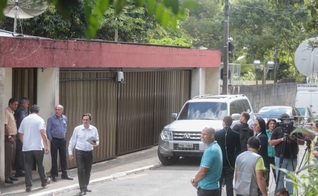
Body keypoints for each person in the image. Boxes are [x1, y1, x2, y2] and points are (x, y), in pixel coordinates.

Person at [269, 113, 304, 195]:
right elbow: (271, 142)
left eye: (287, 120)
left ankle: (290, 193)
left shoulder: (296, 130)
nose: (286, 122)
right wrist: (281, 139)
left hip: (292, 157)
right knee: (279, 177)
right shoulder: (278, 130)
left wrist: (294, 139)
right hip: (280, 157)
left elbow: (302, 142)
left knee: (290, 178)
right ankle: (279, 193)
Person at [18, 105, 50, 192]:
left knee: (28, 166)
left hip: (27, 147)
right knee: (40, 164)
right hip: (38, 146)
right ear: (38, 112)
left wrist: (24, 142)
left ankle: (28, 186)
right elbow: (43, 133)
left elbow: (20, 133)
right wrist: (47, 145)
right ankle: (44, 181)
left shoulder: (25, 120)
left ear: (30, 111)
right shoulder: (40, 119)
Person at [68, 113, 99, 196]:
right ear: (82, 120)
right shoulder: (77, 129)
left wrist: (95, 143)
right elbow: (72, 141)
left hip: (89, 152)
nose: (85, 121)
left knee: (88, 170)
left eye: (87, 120)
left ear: (90, 121)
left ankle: (85, 185)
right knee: (81, 170)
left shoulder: (94, 129)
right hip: (80, 152)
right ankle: (82, 188)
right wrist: (70, 152)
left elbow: (97, 140)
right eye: (84, 120)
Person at [190, 127, 222, 196]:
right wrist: (195, 177)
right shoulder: (216, 146)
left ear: (212, 136)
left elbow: (203, 172)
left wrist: (195, 180)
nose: (202, 136)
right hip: (214, 187)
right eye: (201, 134)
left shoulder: (210, 150)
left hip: (207, 189)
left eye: (205, 134)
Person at [215, 116, 241, 196]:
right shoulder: (236, 134)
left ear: (223, 122)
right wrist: (234, 156)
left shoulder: (217, 134)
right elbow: (238, 148)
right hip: (231, 161)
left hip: (220, 161)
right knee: (229, 183)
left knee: (218, 182)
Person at [47, 105, 73, 181]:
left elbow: (65, 127)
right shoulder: (51, 119)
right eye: (56, 109)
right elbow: (48, 130)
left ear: (62, 111)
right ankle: (54, 175)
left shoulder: (65, 118)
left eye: (59, 110)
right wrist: (50, 139)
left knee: (63, 157)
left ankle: (64, 174)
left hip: (62, 140)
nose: (57, 111)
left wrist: (64, 134)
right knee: (54, 158)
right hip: (54, 140)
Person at [4, 98, 19, 184]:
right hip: (8, 137)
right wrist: (9, 136)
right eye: (14, 104)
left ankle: (9, 175)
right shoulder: (6, 112)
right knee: (8, 157)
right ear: (10, 104)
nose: (16, 106)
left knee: (12, 157)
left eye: (17, 105)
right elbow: (5, 125)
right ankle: (6, 176)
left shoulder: (12, 113)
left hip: (13, 137)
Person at [14, 97, 29, 177]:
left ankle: (19, 169)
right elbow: (24, 121)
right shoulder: (21, 111)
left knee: (20, 152)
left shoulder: (19, 110)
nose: (27, 105)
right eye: (26, 103)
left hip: (19, 133)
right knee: (20, 152)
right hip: (21, 134)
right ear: (23, 103)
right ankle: (19, 170)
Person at [253, 117, 270, 186]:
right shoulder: (257, 135)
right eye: (253, 125)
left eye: (256, 125)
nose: (254, 126)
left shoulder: (262, 137)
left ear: (261, 126)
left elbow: (259, 151)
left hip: (262, 162)